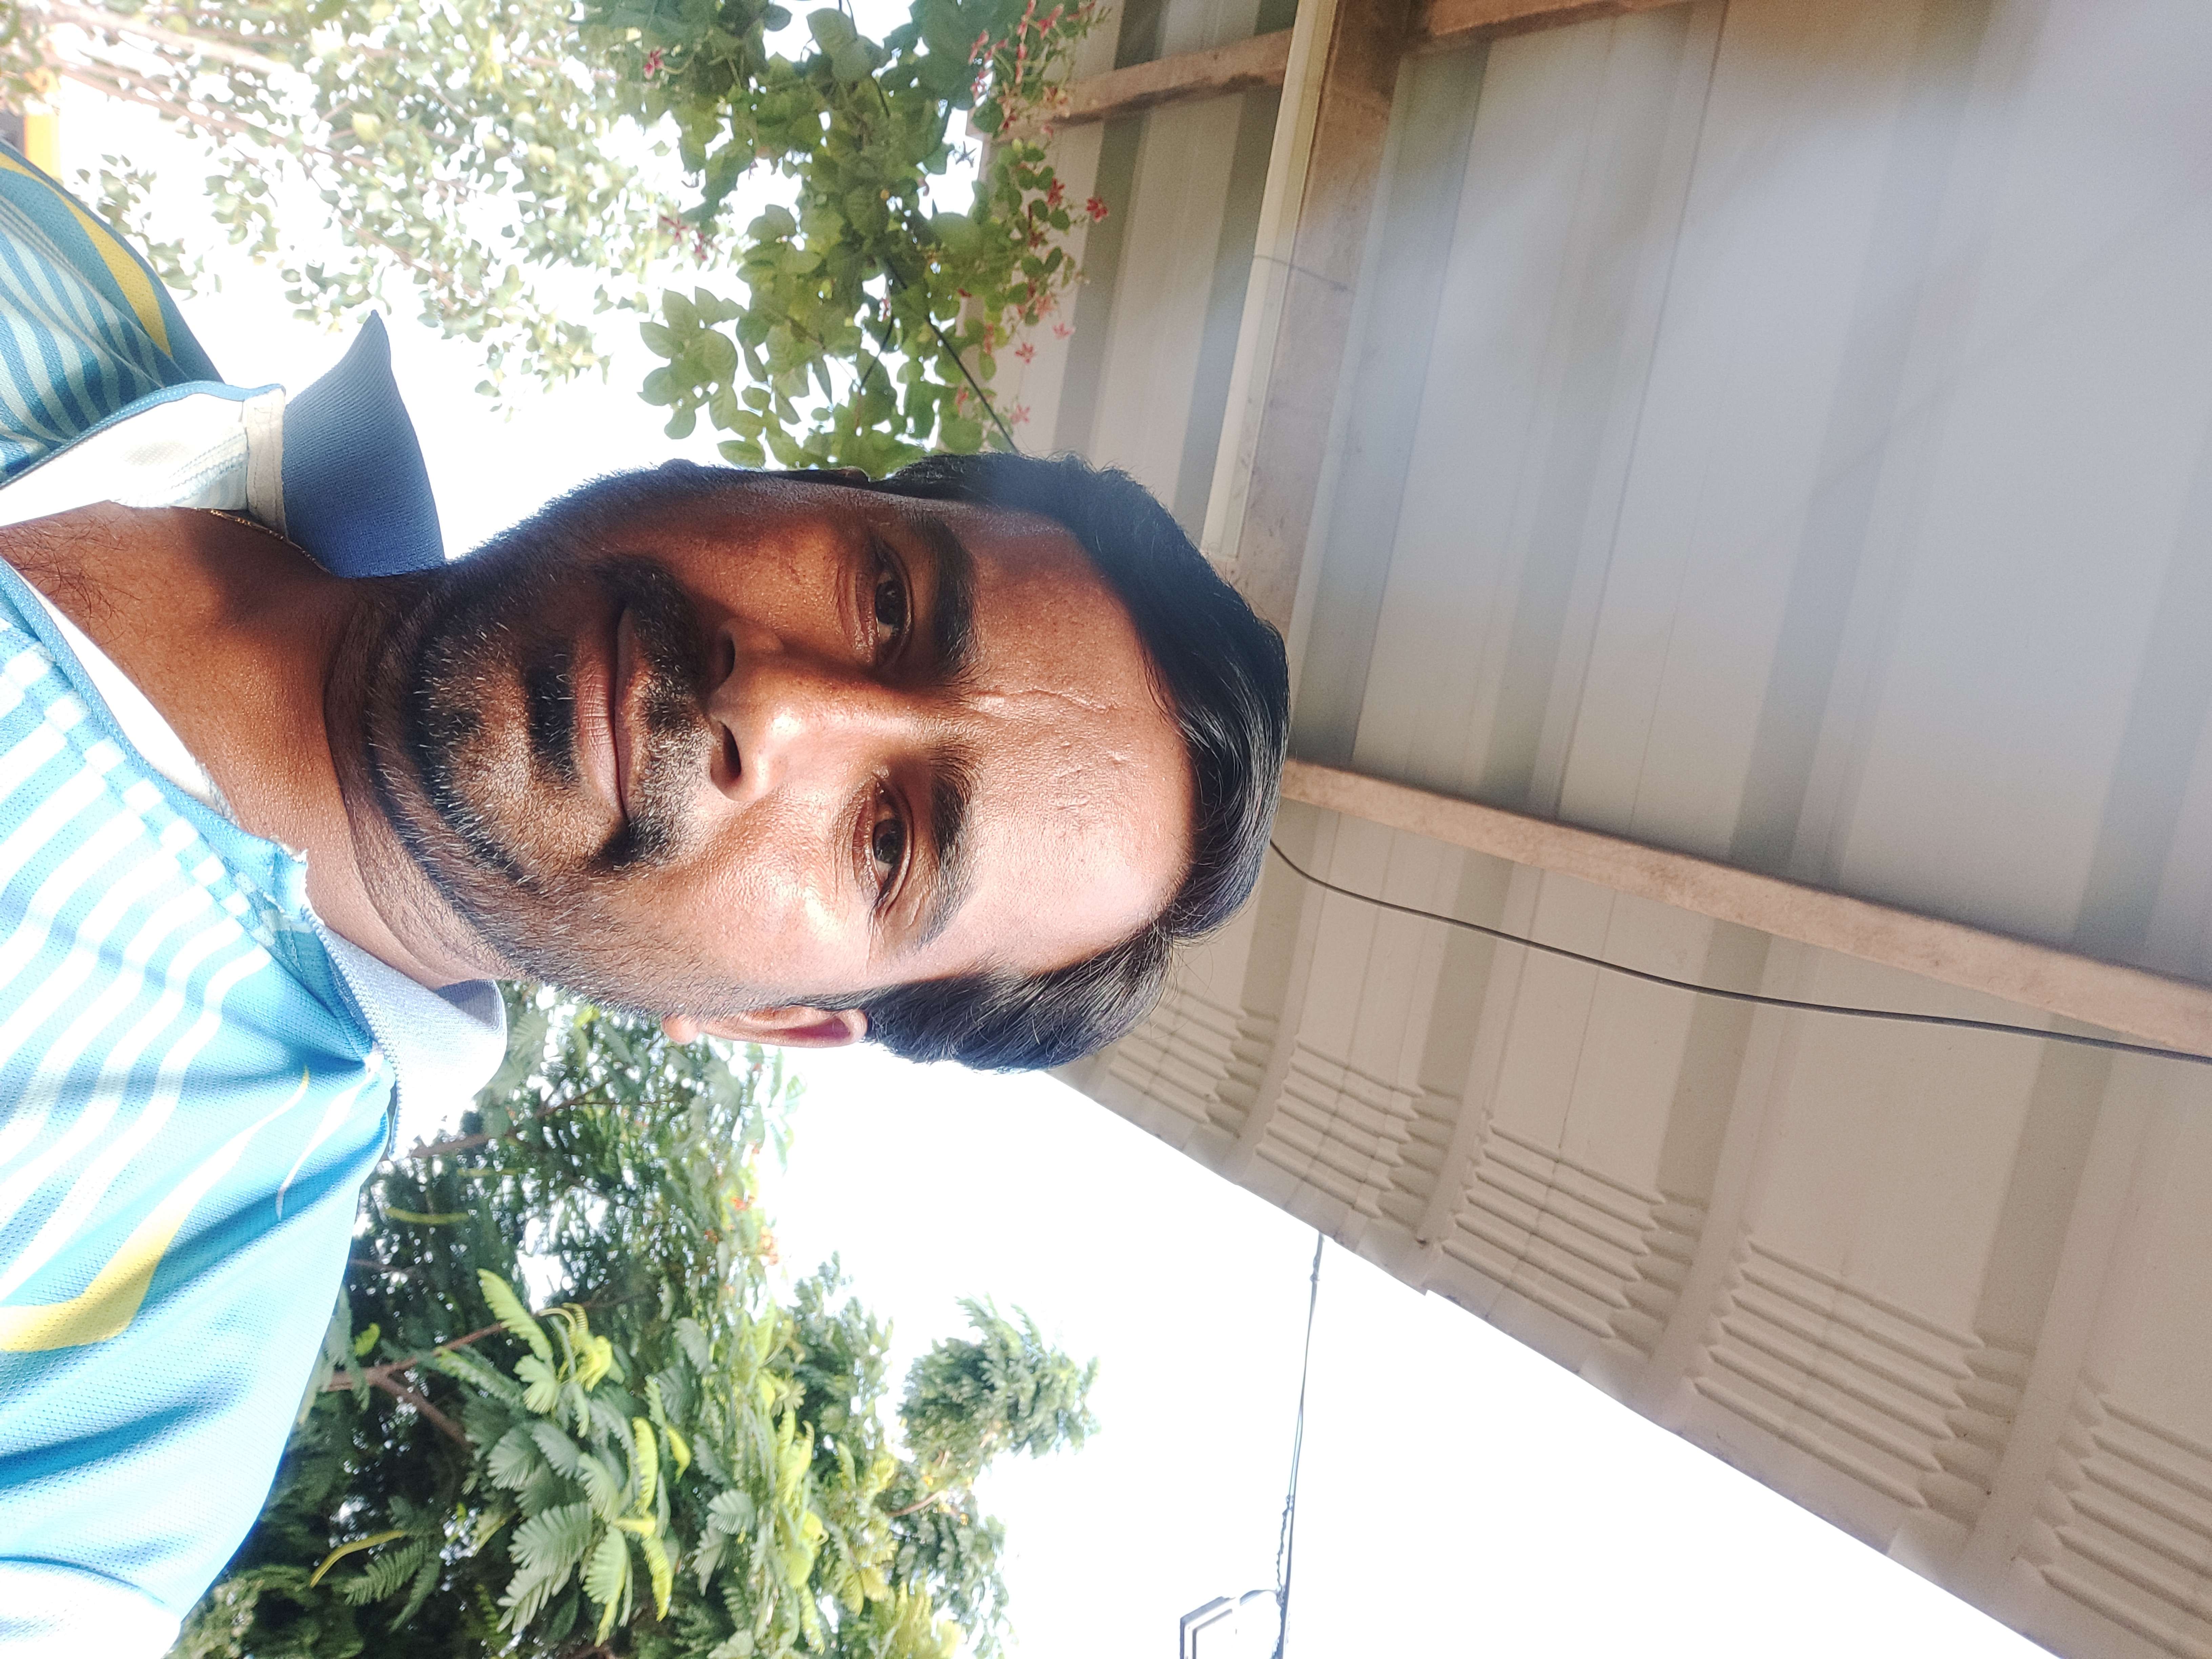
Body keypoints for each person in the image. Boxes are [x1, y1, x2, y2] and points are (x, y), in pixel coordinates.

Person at [0, 147, 1287, 1652]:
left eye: (888, 844)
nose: (780, 711)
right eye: (887, 601)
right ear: (788, 483)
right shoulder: (84, 290)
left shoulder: (120, 1422)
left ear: (780, 1021)